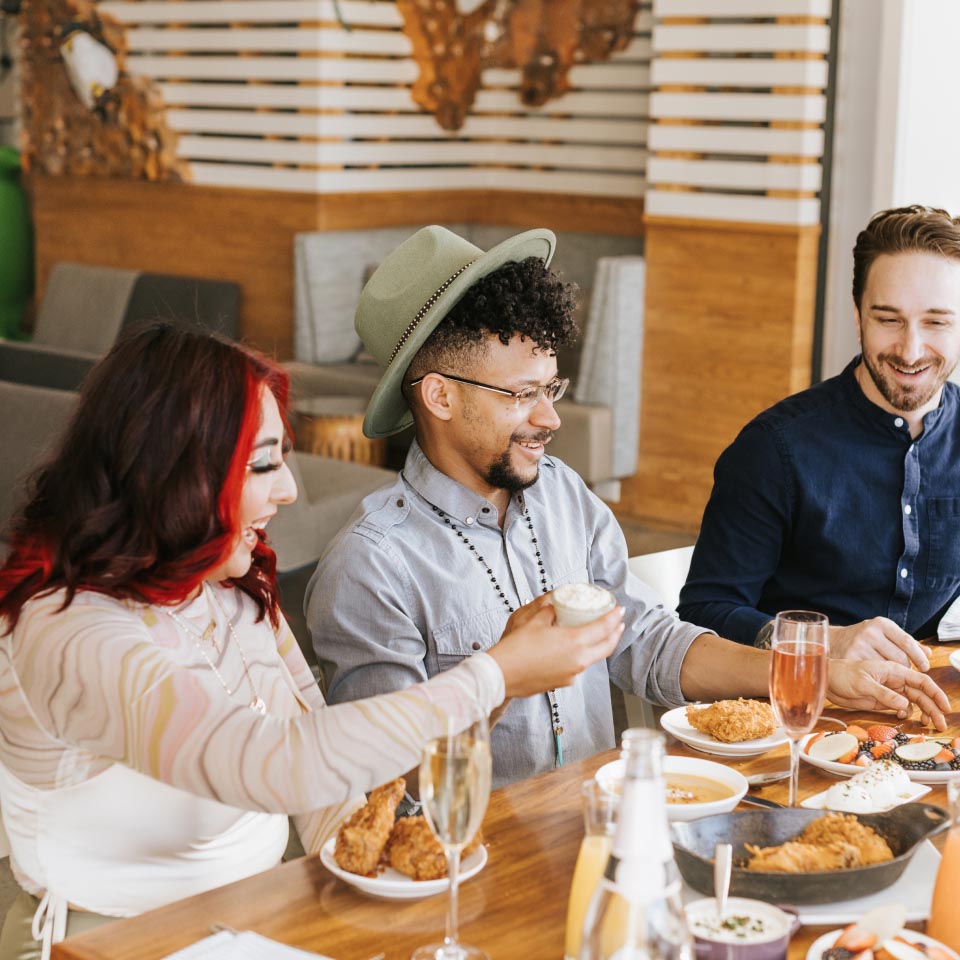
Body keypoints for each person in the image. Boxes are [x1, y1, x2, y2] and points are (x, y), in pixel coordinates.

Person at [0, 321, 626, 960]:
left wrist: (386, 888)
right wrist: (495, 674)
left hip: (262, 930)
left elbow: (327, 791)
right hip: (107, 944)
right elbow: (274, 764)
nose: (290, 490)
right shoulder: (64, 627)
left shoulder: (229, 595)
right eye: (262, 464)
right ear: (170, 471)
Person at [307, 224, 949, 790]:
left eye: (553, 387)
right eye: (523, 394)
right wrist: (499, 679)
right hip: (471, 868)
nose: (550, 417)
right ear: (441, 397)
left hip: (598, 827)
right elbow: (387, 785)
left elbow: (651, 642)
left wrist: (809, 676)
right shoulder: (371, 567)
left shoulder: (562, 496)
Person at [679, 205, 960, 666]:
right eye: (888, 319)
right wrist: (822, 641)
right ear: (858, 317)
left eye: (936, 322)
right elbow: (702, 614)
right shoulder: (774, 448)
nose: (910, 350)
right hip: (801, 718)